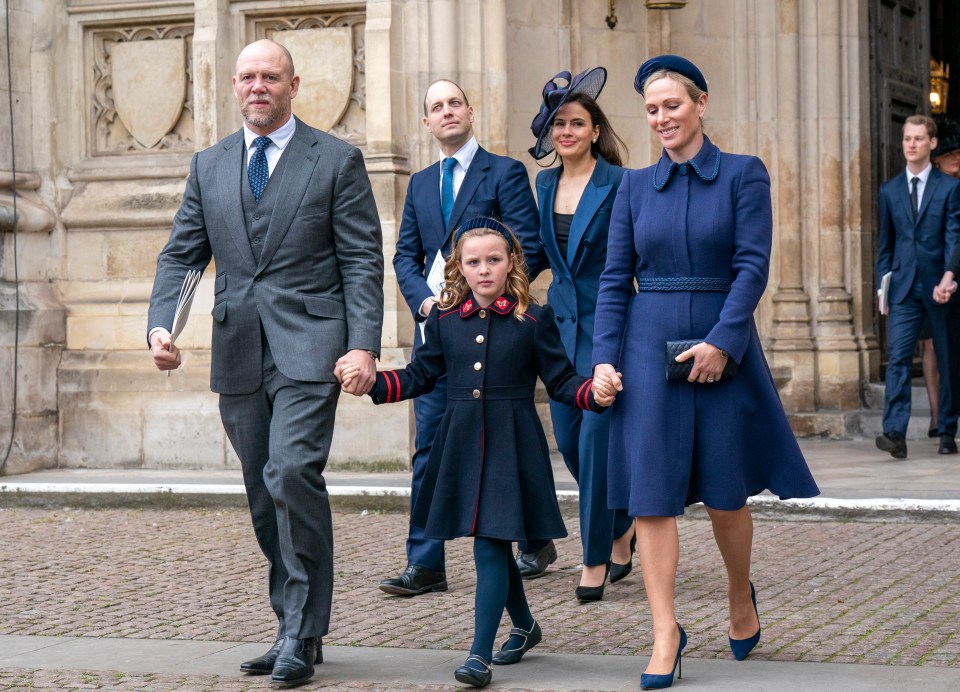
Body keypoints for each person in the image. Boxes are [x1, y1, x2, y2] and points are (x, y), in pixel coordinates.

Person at [147, 39, 384, 687]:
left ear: (293, 84)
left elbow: (362, 259)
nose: (259, 86)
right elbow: (181, 255)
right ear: (233, 85)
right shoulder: (210, 164)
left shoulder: (335, 160)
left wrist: (363, 343)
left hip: (313, 350)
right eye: (248, 77)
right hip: (238, 352)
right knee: (260, 491)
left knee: (290, 473)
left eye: (271, 76)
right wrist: (163, 326)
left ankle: (301, 631)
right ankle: (292, 623)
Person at [591, 55, 819, 689]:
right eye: (653, 110)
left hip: (725, 348)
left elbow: (752, 266)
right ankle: (666, 631)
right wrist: (604, 358)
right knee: (652, 497)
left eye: (673, 105)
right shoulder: (632, 187)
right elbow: (615, 281)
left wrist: (724, 341)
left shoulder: (745, 175)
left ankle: (739, 596)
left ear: (701, 103)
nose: (662, 117)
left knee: (725, 495)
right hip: (645, 348)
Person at [340, 217, 616, 688]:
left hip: (513, 444)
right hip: (462, 443)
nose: (484, 269)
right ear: (459, 268)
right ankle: (526, 627)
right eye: (474, 262)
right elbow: (419, 376)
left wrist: (594, 393)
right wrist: (372, 383)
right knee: (493, 541)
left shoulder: (533, 318)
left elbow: (562, 380)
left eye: (494, 259)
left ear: (511, 263)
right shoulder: (445, 320)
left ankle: (478, 655)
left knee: (491, 543)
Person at [386, 79, 544, 596]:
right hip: (439, 333)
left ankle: (534, 538)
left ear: (471, 112)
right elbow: (404, 257)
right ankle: (426, 561)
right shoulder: (420, 182)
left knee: (507, 446)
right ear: (427, 123)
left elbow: (527, 246)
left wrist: (486, 301)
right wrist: (428, 303)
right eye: (437, 107)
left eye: (455, 102)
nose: (447, 112)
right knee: (428, 446)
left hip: (498, 334)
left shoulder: (505, 172)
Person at [522, 67, 635, 601]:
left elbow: (634, 254)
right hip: (560, 328)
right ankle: (621, 525)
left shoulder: (620, 182)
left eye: (577, 123)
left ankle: (594, 561)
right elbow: (542, 254)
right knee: (567, 439)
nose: (566, 132)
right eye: (559, 124)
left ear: (595, 131)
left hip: (610, 326)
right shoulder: (544, 183)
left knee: (593, 443)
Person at [876, 114, 960, 459]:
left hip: (940, 286)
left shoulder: (950, 187)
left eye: (918, 139)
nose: (911, 144)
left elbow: (955, 235)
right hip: (903, 288)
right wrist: (882, 289)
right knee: (897, 358)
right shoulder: (889, 190)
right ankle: (895, 431)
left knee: (946, 357)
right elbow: (886, 246)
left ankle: (947, 429)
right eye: (907, 139)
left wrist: (950, 277)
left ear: (932, 143)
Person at [919, 119, 960, 435]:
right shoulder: (922, 188)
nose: (957, 158)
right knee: (932, 345)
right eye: (951, 153)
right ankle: (937, 416)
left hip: (955, 276)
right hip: (931, 281)